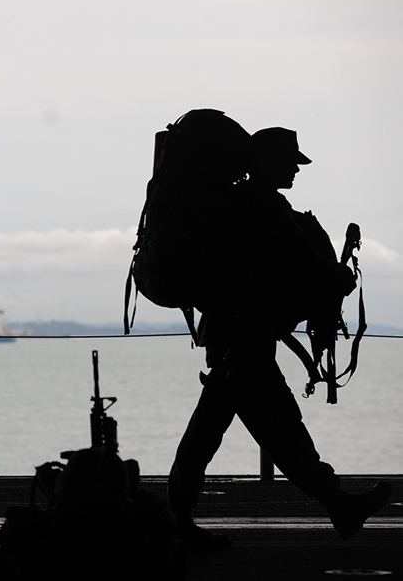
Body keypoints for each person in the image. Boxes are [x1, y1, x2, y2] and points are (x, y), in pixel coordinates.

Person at [166, 126, 392, 550]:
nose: (295, 169)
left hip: (235, 336)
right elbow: (305, 265)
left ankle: (175, 516)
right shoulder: (264, 206)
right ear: (264, 159)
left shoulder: (238, 205)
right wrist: (341, 277)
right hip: (244, 339)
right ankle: (338, 504)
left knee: (226, 431)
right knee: (279, 433)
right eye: (289, 161)